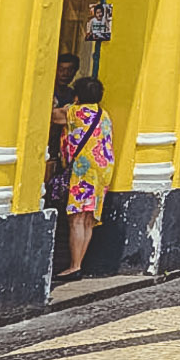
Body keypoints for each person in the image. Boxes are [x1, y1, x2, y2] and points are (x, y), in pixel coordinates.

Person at [54, 75, 116, 279]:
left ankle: (74, 265)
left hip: (84, 169)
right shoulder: (103, 114)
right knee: (88, 218)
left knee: (77, 219)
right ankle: (78, 263)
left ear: (78, 96)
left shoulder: (74, 112)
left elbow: (51, 116)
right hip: (103, 169)